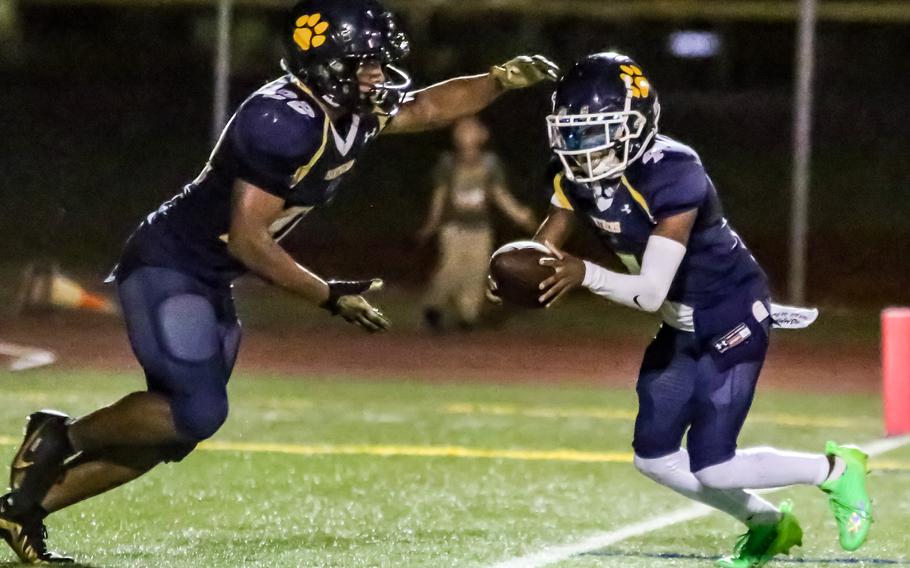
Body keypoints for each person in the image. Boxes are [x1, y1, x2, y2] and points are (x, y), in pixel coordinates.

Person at [0, 0, 558, 562]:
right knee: (196, 411)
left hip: (208, 276)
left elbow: (429, 106)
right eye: (366, 64)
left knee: (178, 431)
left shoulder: (349, 110)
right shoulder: (282, 121)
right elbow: (249, 238)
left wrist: (499, 80)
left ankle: (22, 511)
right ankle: (59, 437)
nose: (379, 76)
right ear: (327, 64)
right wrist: (330, 295)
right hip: (171, 263)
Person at [521, 52, 872, 567]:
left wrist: (583, 273)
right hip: (679, 322)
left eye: (595, 133)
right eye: (571, 135)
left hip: (729, 312)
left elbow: (648, 290)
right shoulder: (576, 175)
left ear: (637, 123)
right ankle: (768, 524)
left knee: (714, 466)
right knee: (655, 459)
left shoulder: (675, 174)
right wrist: (516, 272)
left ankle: (837, 471)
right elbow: (542, 249)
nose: (582, 149)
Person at [418, 116, 537, 330]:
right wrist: (432, 222)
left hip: (481, 226)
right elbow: (440, 194)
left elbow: (499, 194)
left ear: (483, 135)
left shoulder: (490, 164)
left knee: (478, 270)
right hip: (453, 226)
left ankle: (468, 315)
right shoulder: (448, 162)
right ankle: (433, 305)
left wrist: (520, 214)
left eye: (472, 130)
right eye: (462, 130)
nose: (466, 135)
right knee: (451, 268)